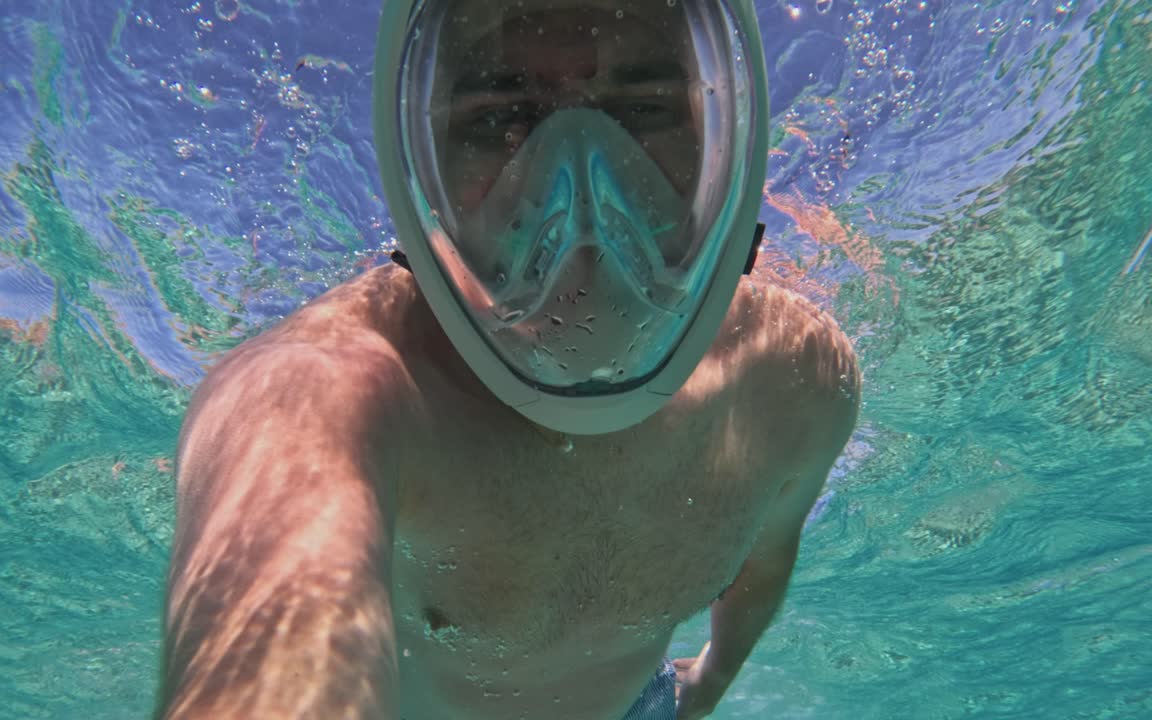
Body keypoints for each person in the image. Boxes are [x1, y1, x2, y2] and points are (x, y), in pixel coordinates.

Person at [155, 0, 860, 718]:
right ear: (418, 173)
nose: (582, 183)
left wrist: (706, 685)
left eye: (646, 110)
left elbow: (766, 558)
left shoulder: (796, 380)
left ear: (722, 145)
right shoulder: (331, 399)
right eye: (497, 117)